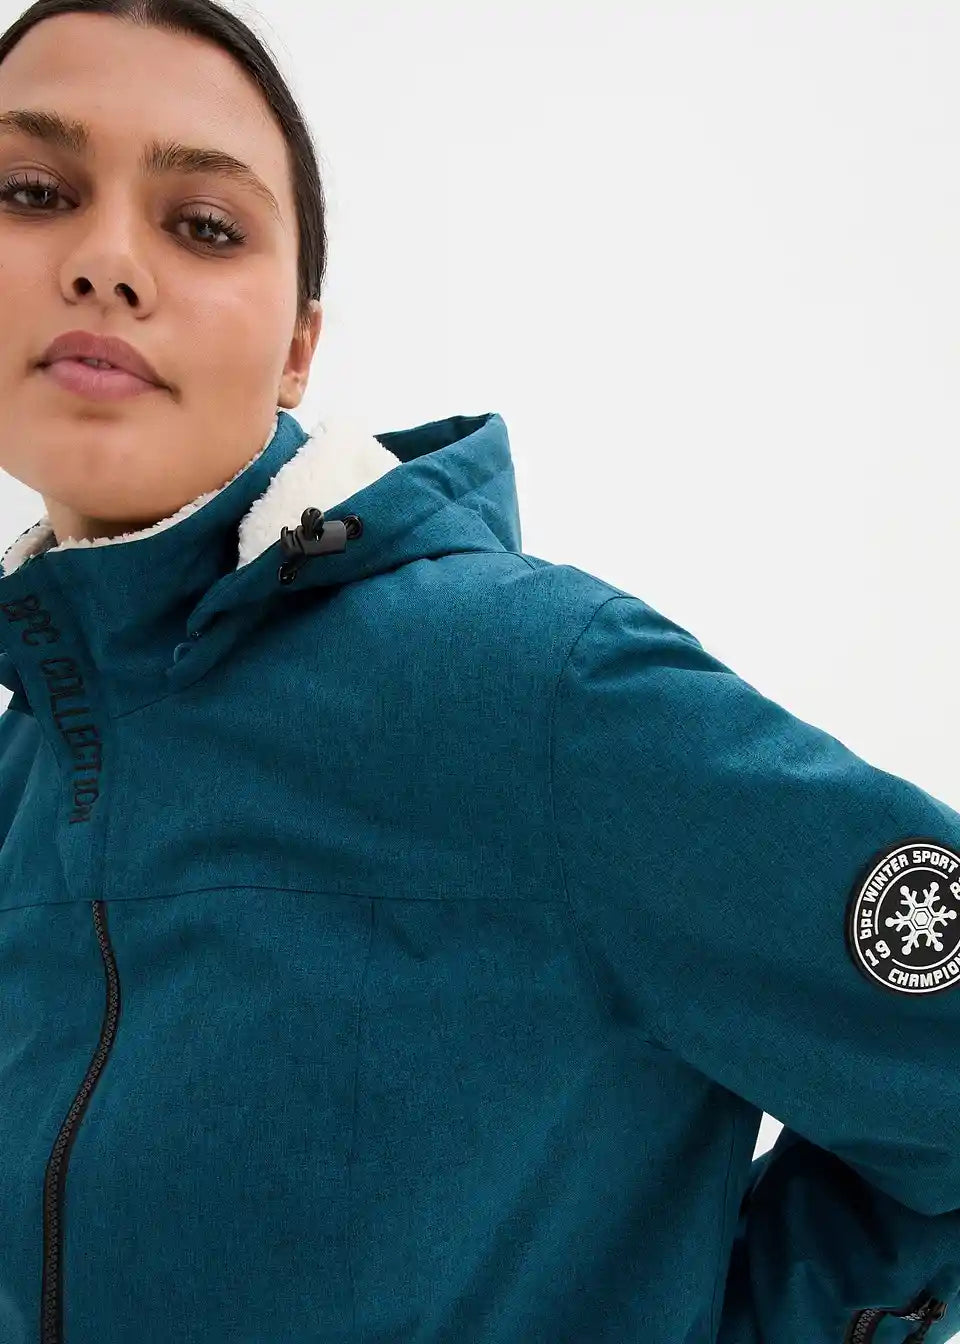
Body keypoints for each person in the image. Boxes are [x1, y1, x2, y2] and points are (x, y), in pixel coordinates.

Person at [0, 5, 958, 1344]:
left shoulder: (531, 692)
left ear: (298, 350)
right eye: (33, 194)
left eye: (204, 225)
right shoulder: (28, 765)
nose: (105, 262)